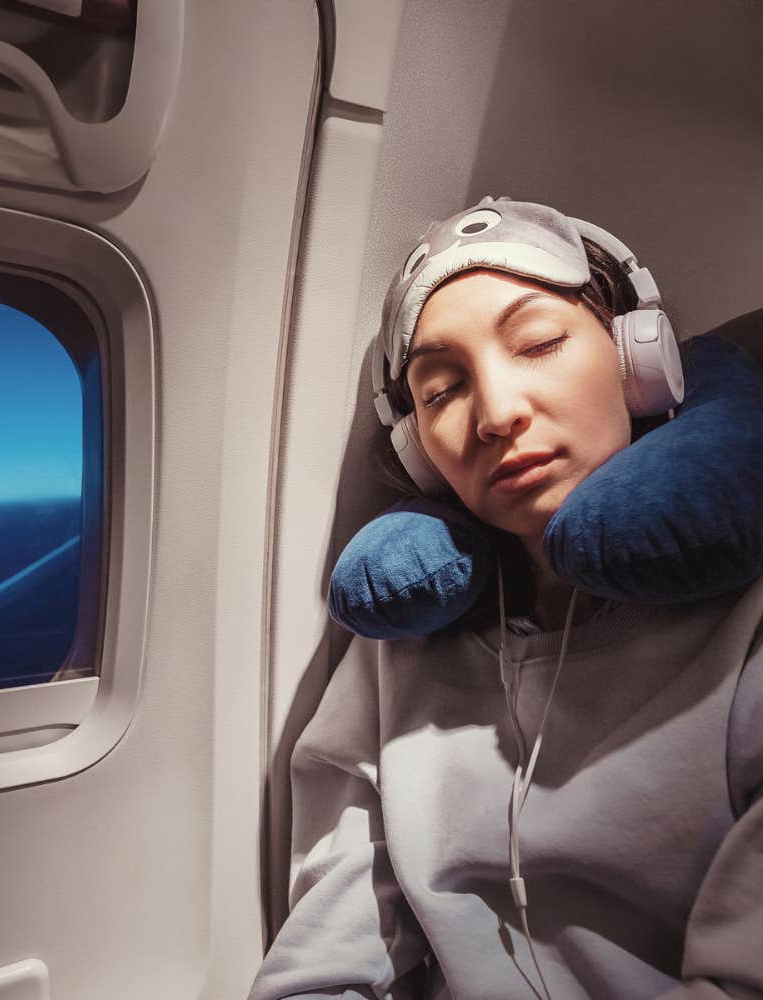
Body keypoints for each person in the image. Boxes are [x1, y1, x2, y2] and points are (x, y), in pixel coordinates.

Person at [247, 198, 763, 999]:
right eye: (441, 389)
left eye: (540, 343)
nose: (496, 414)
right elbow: (324, 964)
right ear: (418, 450)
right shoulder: (395, 651)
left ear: (640, 359)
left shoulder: (749, 631)